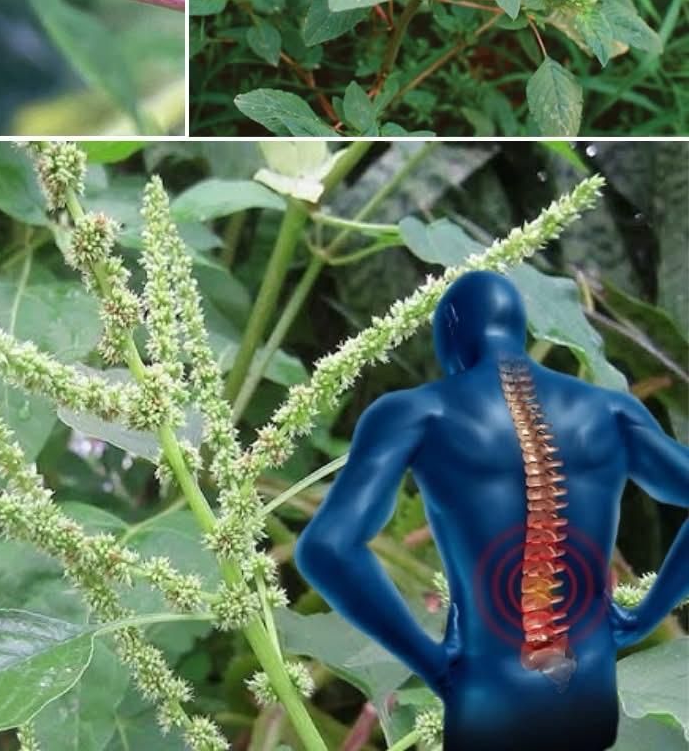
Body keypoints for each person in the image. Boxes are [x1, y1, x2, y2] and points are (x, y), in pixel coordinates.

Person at [294, 270, 689, 751]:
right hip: (590, 697)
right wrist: (643, 617)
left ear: (450, 334)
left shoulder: (418, 414)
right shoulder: (610, 410)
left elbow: (326, 550)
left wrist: (433, 663)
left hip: (489, 702)